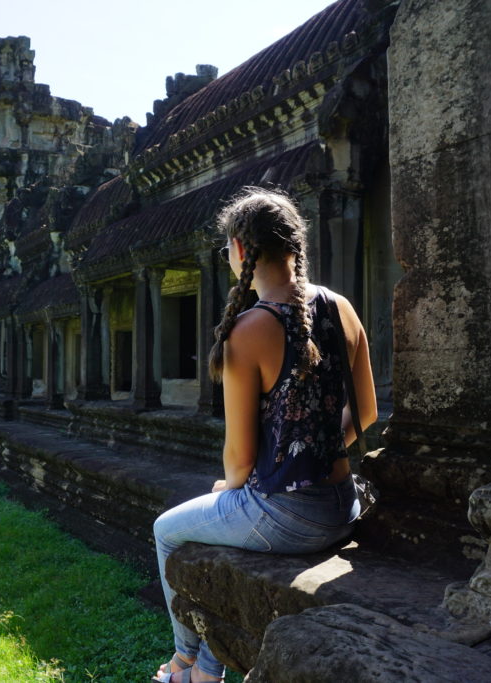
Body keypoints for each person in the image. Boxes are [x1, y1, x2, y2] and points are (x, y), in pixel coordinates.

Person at [151, 188, 378, 683]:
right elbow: (367, 411)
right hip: (343, 506)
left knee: (166, 530)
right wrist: (322, 451)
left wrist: (225, 489)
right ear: (296, 244)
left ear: (237, 250)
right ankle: (210, 669)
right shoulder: (342, 307)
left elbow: (239, 460)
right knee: (228, 531)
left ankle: (184, 661)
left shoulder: (249, 329)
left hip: (287, 516)